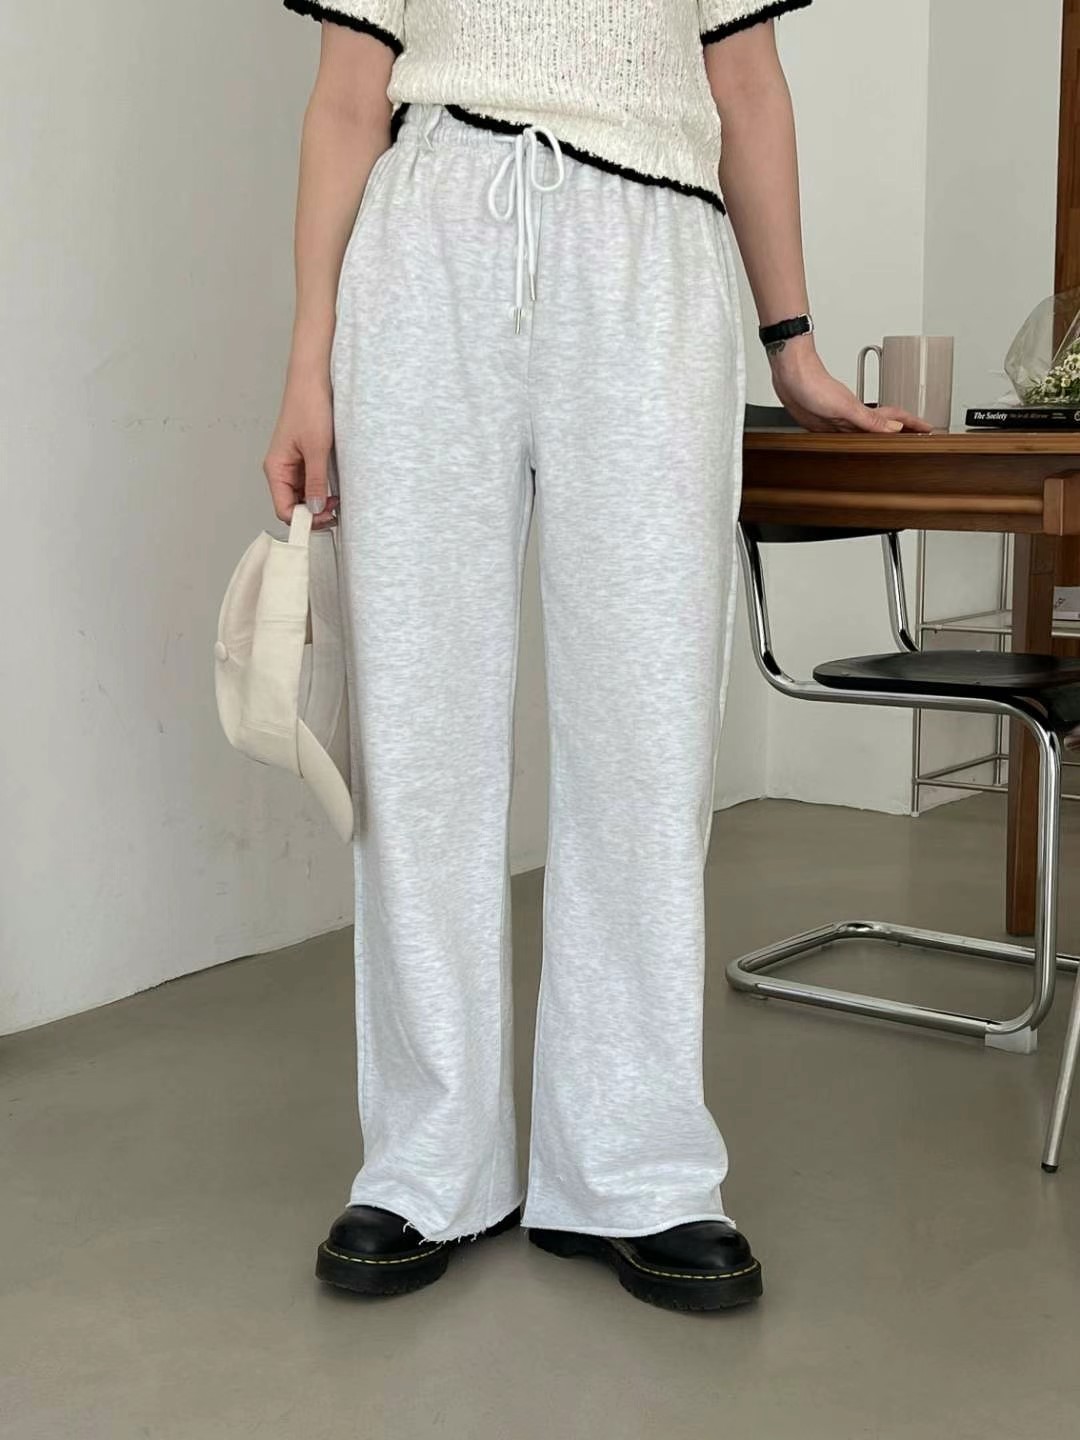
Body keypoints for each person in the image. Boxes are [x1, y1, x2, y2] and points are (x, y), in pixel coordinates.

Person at [265, 0, 929, 1314]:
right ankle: (429, 1160)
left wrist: (792, 346)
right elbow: (347, 96)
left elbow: (748, 83)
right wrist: (306, 369)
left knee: (647, 729)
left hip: (653, 244)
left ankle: (634, 1166)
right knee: (420, 726)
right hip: (432, 235)